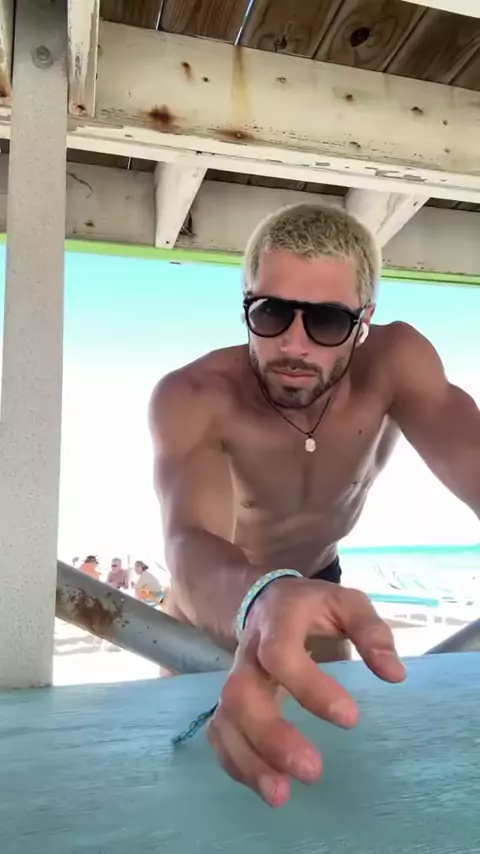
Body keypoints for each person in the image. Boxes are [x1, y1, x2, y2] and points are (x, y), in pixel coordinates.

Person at [148, 202, 480, 808]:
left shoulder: (395, 364)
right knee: (196, 789)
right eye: (271, 313)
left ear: (363, 319)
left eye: (326, 320)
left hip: (320, 589)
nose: (293, 344)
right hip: (213, 601)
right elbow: (189, 541)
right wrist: (260, 599)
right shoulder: (195, 396)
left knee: (334, 776)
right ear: (246, 305)